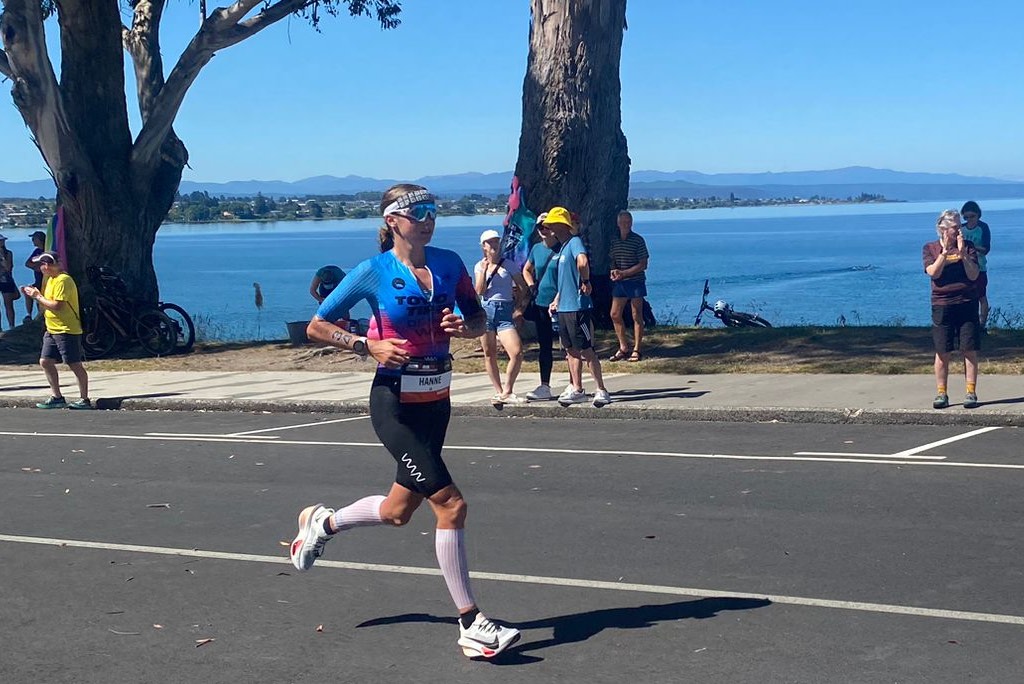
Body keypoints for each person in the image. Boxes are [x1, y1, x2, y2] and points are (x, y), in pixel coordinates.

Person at [290, 183, 521, 659]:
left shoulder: (450, 264)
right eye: (417, 212)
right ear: (393, 220)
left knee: (399, 512)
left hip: (438, 399)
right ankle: (471, 623)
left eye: (433, 210)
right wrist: (365, 345)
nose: (428, 218)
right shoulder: (372, 272)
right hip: (393, 401)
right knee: (451, 504)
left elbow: (479, 320)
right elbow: (316, 325)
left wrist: (466, 325)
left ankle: (323, 523)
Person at [544, 206, 611, 408]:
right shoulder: (563, 248)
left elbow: (582, 262)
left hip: (577, 307)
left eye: (553, 224)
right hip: (564, 307)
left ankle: (601, 389)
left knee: (586, 349)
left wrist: (586, 280)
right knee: (570, 350)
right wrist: (557, 299)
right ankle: (577, 388)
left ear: (561, 225)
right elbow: (565, 279)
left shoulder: (574, 242)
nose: (551, 228)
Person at [19, 251, 92, 409]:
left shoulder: (63, 280)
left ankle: (84, 399)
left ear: (53, 265)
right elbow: (46, 302)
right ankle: (57, 396)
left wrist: (37, 297)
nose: (43, 267)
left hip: (66, 329)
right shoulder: (50, 280)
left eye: (45, 264)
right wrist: (32, 294)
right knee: (45, 361)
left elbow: (58, 305)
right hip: (52, 328)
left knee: (74, 363)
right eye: (42, 264)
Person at [923, 209, 980, 409]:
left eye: (959, 226)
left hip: (966, 303)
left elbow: (973, 275)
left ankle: (971, 392)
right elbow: (933, 273)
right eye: (955, 227)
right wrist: (945, 253)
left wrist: (963, 254)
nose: (958, 231)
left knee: (969, 349)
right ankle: (941, 393)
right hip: (942, 304)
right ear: (943, 229)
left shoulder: (969, 247)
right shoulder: (930, 248)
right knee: (942, 351)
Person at [475, 228, 530, 405]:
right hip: (487, 310)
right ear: (483, 246)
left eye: (496, 241)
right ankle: (499, 391)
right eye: (490, 242)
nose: (494, 245)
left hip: (504, 310)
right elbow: (480, 291)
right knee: (489, 353)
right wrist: (483, 271)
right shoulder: (479, 266)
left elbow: (522, 285)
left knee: (516, 352)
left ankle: (508, 390)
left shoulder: (509, 264)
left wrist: (518, 305)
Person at [521, 213, 563, 401]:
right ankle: (544, 384)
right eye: (540, 227)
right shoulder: (537, 249)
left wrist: (558, 297)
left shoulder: (563, 249)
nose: (544, 230)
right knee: (544, 345)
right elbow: (526, 269)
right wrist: (531, 285)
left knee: (570, 346)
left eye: (547, 226)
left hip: (561, 303)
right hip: (540, 303)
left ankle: (575, 383)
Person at [608, 210, 650, 362]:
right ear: (618, 224)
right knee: (614, 314)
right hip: (620, 282)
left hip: (635, 281)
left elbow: (643, 264)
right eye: (623, 222)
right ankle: (623, 346)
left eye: (628, 222)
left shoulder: (638, 240)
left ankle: (637, 349)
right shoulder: (614, 240)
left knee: (636, 314)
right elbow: (612, 259)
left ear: (631, 223)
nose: (625, 224)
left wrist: (625, 273)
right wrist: (614, 271)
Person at [959, 200, 991, 328]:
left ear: (978, 215)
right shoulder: (961, 229)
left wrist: (972, 247)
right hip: (963, 267)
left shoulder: (983, 228)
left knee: (981, 296)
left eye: (972, 216)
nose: (969, 220)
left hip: (980, 267)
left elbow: (986, 249)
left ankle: (982, 324)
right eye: (966, 217)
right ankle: (966, 323)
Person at [24, 231, 47, 322]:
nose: (32, 241)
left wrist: (40, 267)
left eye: (34, 239)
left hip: (45, 281)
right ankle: (29, 315)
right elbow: (27, 263)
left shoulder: (47, 250)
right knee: (27, 292)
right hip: (38, 281)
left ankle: (41, 316)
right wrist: (37, 267)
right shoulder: (37, 251)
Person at [0, 234, 20, 330]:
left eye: (2, 241)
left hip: (6, 280)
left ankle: (11, 326)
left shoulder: (8, 253)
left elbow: (8, 268)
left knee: (8, 304)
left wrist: (2, 258)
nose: (2, 243)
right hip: (4, 278)